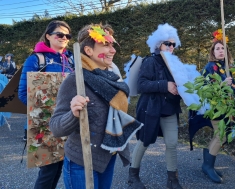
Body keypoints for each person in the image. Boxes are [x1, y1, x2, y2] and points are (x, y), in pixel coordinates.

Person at [49, 23, 131, 189]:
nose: (113, 50)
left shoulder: (113, 78)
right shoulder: (75, 81)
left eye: (112, 45)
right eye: (105, 45)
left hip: (107, 157)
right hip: (81, 162)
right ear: (88, 51)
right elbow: (56, 128)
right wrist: (73, 113)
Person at [18, 20, 74, 189]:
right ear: (48, 36)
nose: (64, 38)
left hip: (69, 120)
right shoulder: (36, 59)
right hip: (46, 124)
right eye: (59, 34)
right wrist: (54, 104)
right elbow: (23, 95)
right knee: (49, 171)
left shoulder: (72, 60)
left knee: (64, 168)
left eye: (67, 35)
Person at [128, 23, 183, 189]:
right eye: (167, 43)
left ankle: (172, 180)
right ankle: (133, 177)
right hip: (151, 109)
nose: (171, 47)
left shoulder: (175, 63)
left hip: (170, 109)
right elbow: (142, 85)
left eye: (173, 44)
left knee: (172, 143)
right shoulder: (150, 61)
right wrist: (165, 85)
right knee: (144, 141)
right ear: (159, 44)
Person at [201, 41, 235, 183]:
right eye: (217, 48)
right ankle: (208, 166)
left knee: (221, 135)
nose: (220, 51)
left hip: (228, 107)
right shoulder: (210, 67)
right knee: (221, 136)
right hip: (216, 108)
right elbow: (205, 86)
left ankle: (207, 164)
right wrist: (222, 85)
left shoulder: (226, 67)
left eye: (223, 48)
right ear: (213, 52)